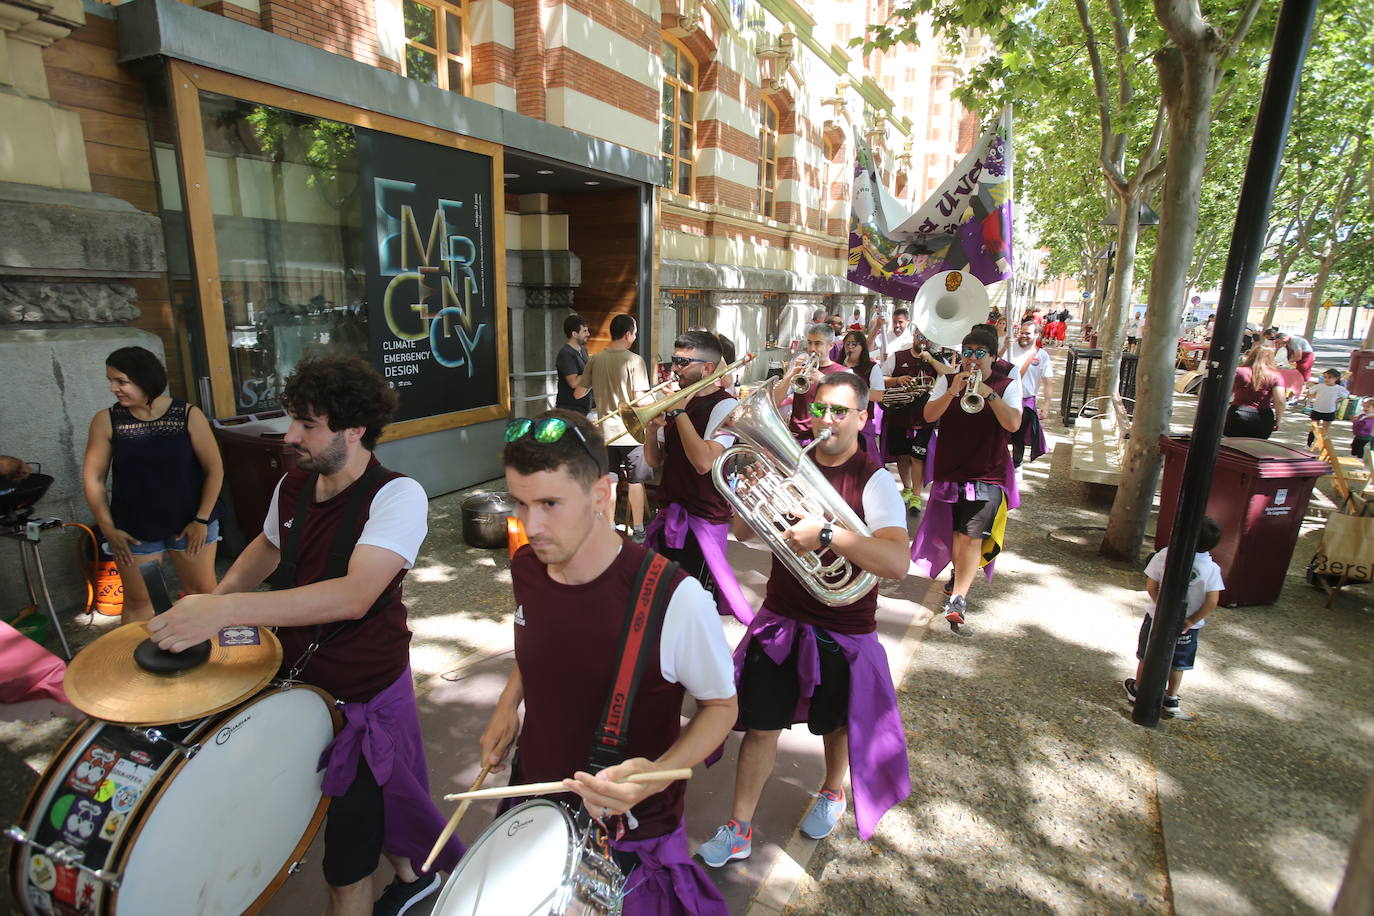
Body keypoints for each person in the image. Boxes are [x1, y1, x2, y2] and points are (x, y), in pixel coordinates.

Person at [145, 356, 462, 916]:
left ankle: (410, 880)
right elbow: (265, 550)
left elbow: (354, 594)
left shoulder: (397, 496)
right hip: (297, 692)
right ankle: (415, 877)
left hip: (362, 697)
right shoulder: (294, 483)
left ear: (355, 428)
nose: (291, 436)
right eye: (293, 420)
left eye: (308, 424)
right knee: (377, 812)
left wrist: (227, 613)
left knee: (345, 866)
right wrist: (208, 607)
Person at [481, 408, 737, 916]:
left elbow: (722, 707)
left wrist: (660, 774)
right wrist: (508, 704)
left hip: (628, 833)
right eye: (520, 502)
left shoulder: (675, 597)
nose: (531, 525)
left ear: (602, 495)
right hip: (532, 801)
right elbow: (543, 640)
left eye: (551, 503)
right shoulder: (529, 567)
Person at [697, 372, 911, 866]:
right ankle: (740, 826)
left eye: (840, 411)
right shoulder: (789, 466)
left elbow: (897, 564)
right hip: (782, 618)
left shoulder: (873, 479)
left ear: (862, 417)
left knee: (836, 724)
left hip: (843, 625)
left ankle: (833, 792)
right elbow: (745, 535)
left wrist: (829, 535)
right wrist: (749, 500)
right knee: (761, 725)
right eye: (819, 409)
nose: (828, 420)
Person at [81, 346, 223, 623]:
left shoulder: (187, 414)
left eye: (121, 381)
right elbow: (93, 478)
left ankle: (210, 658)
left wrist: (201, 519)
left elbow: (214, 468)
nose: (113, 388)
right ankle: (138, 662)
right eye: (111, 381)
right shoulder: (106, 421)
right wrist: (108, 529)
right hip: (135, 529)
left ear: (144, 379)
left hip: (190, 523)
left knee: (202, 593)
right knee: (138, 600)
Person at [911, 327, 1023, 632]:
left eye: (978, 354)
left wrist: (990, 395)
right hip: (951, 470)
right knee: (956, 534)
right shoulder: (947, 380)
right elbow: (930, 416)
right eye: (967, 353)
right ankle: (957, 579)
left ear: (992, 357)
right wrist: (951, 390)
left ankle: (959, 598)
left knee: (971, 535)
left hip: (988, 473)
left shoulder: (1007, 384)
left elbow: (1013, 423)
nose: (971, 360)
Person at [642, 331, 753, 624]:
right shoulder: (681, 402)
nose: (675, 368)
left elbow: (704, 462)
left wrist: (678, 412)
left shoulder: (727, 407)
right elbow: (654, 461)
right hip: (670, 517)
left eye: (683, 362)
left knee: (695, 610)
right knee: (662, 604)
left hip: (702, 524)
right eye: (674, 360)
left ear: (707, 368)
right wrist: (651, 429)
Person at [1123, 516, 1224, 721]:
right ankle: (1171, 697)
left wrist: (1162, 608)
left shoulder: (1165, 555)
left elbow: (1151, 586)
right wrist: (1190, 621)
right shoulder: (1211, 569)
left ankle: (1138, 690)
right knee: (1178, 662)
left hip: (1157, 617)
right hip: (1188, 627)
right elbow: (1212, 601)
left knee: (1147, 654)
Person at [579, 314, 653, 539]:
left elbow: (579, 391)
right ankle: (639, 530)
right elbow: (640, 400)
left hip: (605, 434)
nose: (636, 336)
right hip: (630, 433)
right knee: (635, 482)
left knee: (610, 480)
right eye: (635, 331)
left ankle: (610, 528)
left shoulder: (595, 359)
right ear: (628, 333)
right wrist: (657, 403)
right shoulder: (634, 360)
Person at [881, 331, 952, 510]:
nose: (923, 341)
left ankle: (916, 495)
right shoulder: (898, 357)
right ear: (914, 336)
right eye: (920, 336)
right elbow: (880, 378)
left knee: (918, 456)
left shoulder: (936, 358)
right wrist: (897, 380)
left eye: (927, 338)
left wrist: (932, 360)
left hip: (924, 416)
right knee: (902, 454)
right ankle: (906, 487)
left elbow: (951, 376)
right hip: (899, 413)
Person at [776, 323, 847, 443]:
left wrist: (824, 381)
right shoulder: (801, 370)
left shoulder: (844, 373)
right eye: (809, 343)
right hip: (796, 437)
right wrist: (790, 376)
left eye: (818, 343)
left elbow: (844, 410)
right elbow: (775, 400)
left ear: (830, 345)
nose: (811, 349)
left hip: (824, 438)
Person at [1007, 320, 1054, 467]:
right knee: (999, 434)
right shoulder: (1009, 348)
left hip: (1026, 401)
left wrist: (1046, 405)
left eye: (1028, 333)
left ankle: (1016, 465)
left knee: (1018, 436)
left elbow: (1048, 382)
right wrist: (1003, 348)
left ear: (1037, 335)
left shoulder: (1042, 356)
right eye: (1022, 332)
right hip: (1005, 399)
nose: (1023, 336)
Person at [838, 329, 886, 458]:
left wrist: (853, 389)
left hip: (861, 422)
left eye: (854, 344)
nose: (849, 348)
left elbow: (878, 395)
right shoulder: (838, 366)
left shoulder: (871, 367)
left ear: (862, 347)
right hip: (839, 419)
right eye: (847, 344)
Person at [1223, 345, 1287, 439]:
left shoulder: (1238, 371)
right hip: (1263, 417)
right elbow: (1280, 401)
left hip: (1238, 414)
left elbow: (1225, 394)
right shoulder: (1276, 376)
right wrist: (1278, 420)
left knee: (1232, 447)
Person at [555, 314, 593, 414]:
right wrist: (592, 370)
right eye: (584, 331)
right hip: (570, 409)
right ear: (574, 334)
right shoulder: (566, 353)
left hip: (584, 407)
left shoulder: (583, 350)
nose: (588, 334)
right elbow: (574, 383)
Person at [1307, 368, 1352, 449]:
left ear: (1336, 378)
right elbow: (1310, 392)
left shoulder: (1338, 388)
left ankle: (1322, 445)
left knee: (1325, 430)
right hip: (1317, 409)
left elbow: (1345, 396)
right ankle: (1308, 444)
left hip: (1329, 411)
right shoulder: (1320, 386)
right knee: (1314, 428)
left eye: (1329, 377)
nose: (1326, 379)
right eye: (1325, 377)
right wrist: (1314, 397)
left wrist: (1337, 400)